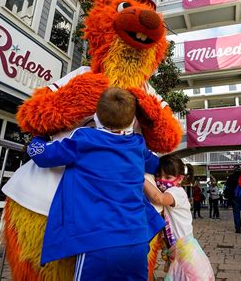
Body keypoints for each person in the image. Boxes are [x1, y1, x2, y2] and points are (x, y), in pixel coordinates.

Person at [27, 87, 164, 280]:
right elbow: (155, 163)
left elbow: (43, 156)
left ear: (96, 117)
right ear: (133, 121)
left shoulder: (84, 138)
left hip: (98, 241)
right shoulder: (138, 144)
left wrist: (36, 140)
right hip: (137, 239)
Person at [144, 155, 214, 280]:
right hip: (178, 250)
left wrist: (139, 177)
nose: (161, 180)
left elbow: (158, 198)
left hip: (185, 250)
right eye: (158, 176)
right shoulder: (171, 190)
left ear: (179, 179)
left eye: (168, 177)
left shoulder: (177, 192)